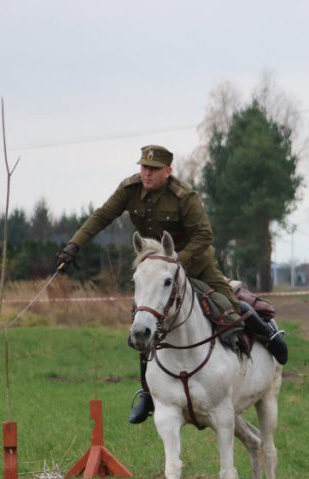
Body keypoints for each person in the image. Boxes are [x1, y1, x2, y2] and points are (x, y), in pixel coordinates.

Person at [56, 144, 287, 424]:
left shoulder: (183, 196)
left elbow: (204, 234)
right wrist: (73, 246)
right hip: (156, 273)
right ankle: (147, 392)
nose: (146, 173)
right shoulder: (129, 190)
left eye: (153, 169)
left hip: (195, 264)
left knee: (226, 306)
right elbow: (102, 216)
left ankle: (265, 336)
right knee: (144, 324)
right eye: (143, 167)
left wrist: (178, 263)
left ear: (168, 171)